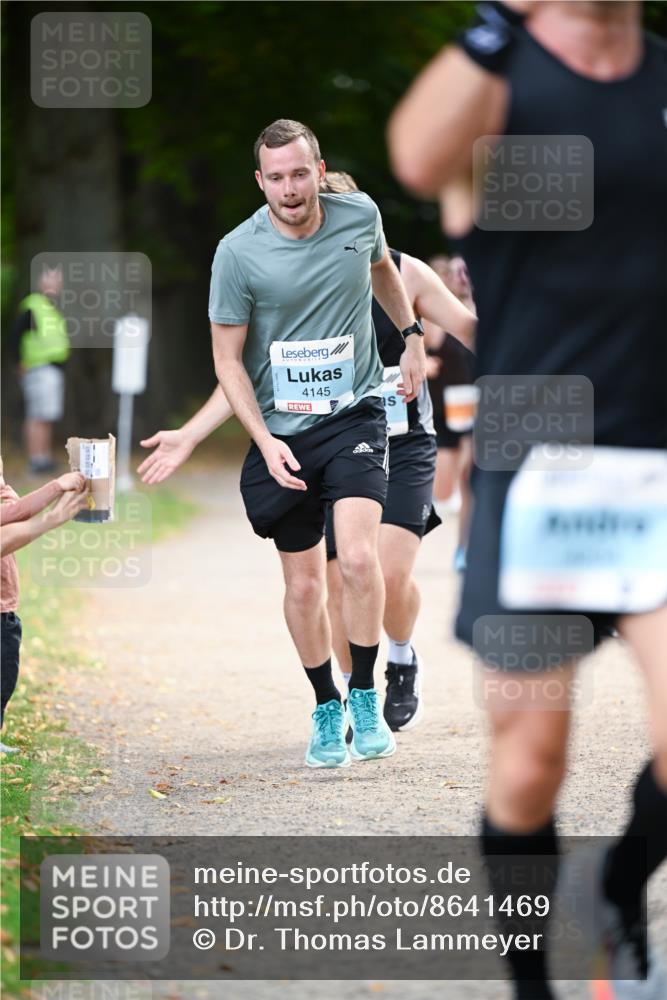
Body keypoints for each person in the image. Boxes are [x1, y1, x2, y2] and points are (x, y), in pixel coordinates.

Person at [389, 2, 667, 998]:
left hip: (656, 457)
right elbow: (416, 156)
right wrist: (495, 24)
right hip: (532, 461)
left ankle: (619, 882)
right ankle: (530, 987)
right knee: (528, 760)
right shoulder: (499, 79)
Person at [208, 119, 427, 769]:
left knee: (358, 561)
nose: (289, 188)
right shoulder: (238, 253)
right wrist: (261, 441)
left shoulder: (357, 214)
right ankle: (325, 705)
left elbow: (382, 269)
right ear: (260, 181)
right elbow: (227, 362)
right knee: (304, 588)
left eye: (299, 173)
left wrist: (411, 333)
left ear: (317, 169)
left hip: (355, 415)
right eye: (275, 177)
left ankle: (364, 692)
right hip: (281, 429)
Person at [319, 172, 476, 732]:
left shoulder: (405, 270)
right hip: (337, 444)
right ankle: (353, 697)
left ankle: (403, 659)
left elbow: (465, 326)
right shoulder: (303, 281)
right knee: (340, 580)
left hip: (406, 442)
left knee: (386, 570)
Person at [0, 458, 87, 752]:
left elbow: (15, 512)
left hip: (5, 611)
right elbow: (16, 514)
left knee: (5, 678)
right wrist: (56, 487)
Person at [423, 254, 476, 571]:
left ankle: (465, 548)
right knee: (444, 487)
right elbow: (421, 340)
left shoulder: (481, 309)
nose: (459, 278)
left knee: (471, 468)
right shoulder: (435, 314)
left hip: (478, 397)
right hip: (446, 400)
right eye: (453, 272)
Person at [11, 266, 70, 474]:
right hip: (38, 367)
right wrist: (19, 361)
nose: (56, 283)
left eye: (58, 279)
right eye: (52, 279)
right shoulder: (33, 306)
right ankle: (35, 460)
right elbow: (16, 335)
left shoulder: (50, 308)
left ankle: (43, 458)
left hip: (51, 369)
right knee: (37, 414)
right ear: (41, 282)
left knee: (46, 414)